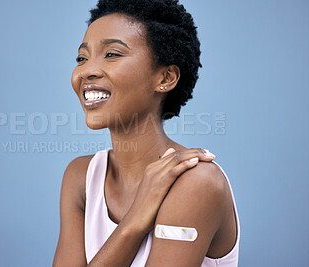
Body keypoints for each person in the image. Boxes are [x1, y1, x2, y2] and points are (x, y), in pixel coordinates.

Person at [53, 0, 240, 266]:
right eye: (82, 58)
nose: (87, 71)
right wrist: (136, 219)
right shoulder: (81, 176)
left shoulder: (195, 182)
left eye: (112, 54)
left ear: (165, 78)